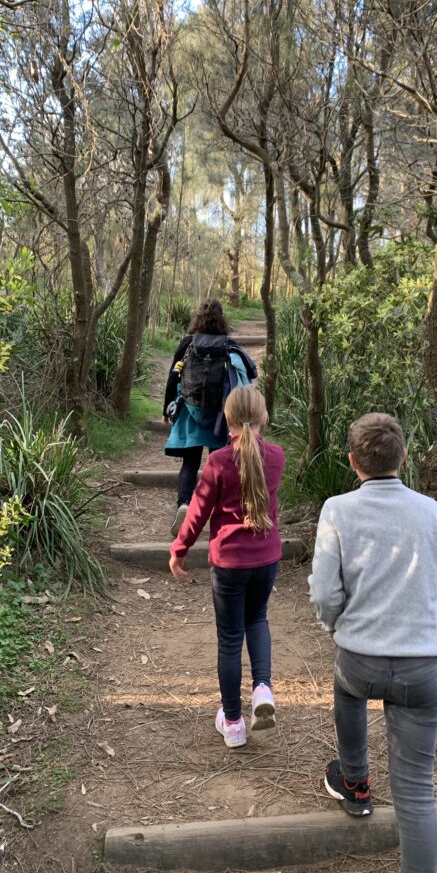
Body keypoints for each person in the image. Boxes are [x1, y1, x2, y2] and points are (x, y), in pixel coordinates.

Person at [309, 413, 437, 873]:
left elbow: (325, 594)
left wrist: (337, 629)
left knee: (346, 687)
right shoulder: (431, 511)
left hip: (360, 661)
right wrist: (428, 631)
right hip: (422, 668)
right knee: (416, 792)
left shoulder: (337, 510)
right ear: (405, 457)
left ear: (352, 462)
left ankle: (355, 783)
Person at [169, 385, 285, 749]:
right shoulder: (276, 457)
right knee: (257, 619)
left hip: (230, 564)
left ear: (227, 418)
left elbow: (197, 513)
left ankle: (233, 723)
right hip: (266, 559)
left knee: (231, 638)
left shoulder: (219, 462)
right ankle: (262, 688)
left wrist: (179, 549)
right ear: (264, 417)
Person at [163, 299, 257, 535]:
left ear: (198, 319)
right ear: (222, 319)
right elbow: (246, 377)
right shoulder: (228, 346)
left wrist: (167, 409)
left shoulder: (187, 344)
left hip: (189, 411)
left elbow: (173, 376)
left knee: (190, 463)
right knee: (219, 465)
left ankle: (184, 505)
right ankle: (218, 512)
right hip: (220, 417)